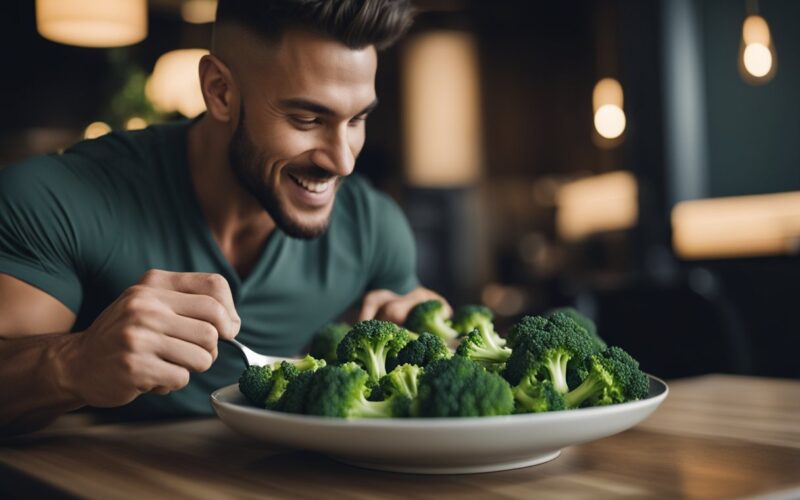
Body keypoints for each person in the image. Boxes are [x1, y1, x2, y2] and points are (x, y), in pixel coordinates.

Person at [0, 0, 448, 435]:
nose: (343, 162)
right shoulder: (53, 199)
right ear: (220, 91)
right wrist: (73, 363)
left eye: (356, 120)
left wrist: (436, 335)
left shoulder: (374, 228)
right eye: (308, 119)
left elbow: (424, 384)